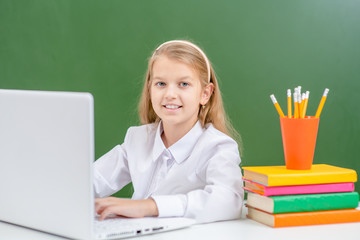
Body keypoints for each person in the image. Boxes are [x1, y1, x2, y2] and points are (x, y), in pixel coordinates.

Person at [94, 40, 244, 223]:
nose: (170, 94)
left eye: (183, 84)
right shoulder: (138, 139)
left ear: (205, 94)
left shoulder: (218, 147)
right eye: (161, 84)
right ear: (150, 89)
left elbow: (230, 201)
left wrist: (150, 206)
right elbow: (96, 178)